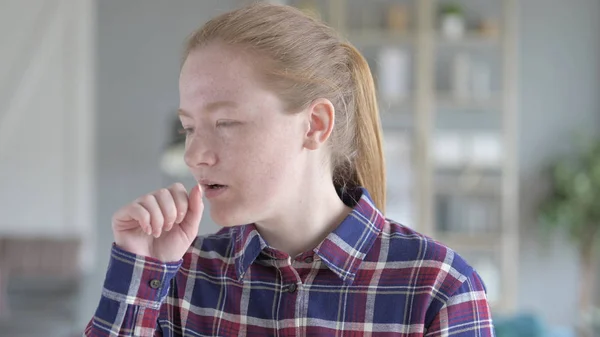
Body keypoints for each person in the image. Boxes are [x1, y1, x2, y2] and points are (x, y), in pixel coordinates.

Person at [84, 2, 494, 336]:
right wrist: (141, 268)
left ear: (314, 125)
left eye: (225, 123)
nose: (194, 155)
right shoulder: (180, 279)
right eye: (188, 127)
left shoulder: (440, 290)